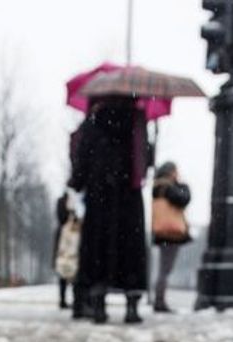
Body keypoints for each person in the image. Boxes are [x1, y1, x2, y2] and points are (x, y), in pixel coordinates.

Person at [68, 97, 150, 324]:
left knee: (98, 250)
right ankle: (131, 305)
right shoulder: (137, 122)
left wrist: (77, 181)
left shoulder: (92, 124)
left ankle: (98, 305)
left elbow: (81, 162)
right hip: (129, 198)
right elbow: (146, 159)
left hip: (99, 196)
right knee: (130, 252)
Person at [150, 161, 192, 313]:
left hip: (162, 232)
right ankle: (159, 301)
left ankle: (159, 299)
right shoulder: (168, 187)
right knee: (165, 269)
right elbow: (183, 199)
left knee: (164, 268)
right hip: (171, 233)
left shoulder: (157, 187)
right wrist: (182, 186)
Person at [54, 192, 76, 310]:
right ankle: (63, 299)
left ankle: (75, 299)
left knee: (73, 269)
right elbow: (61, 217)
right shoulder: (62, 201)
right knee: (64, 268)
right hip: (65, 240)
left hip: (72, 239)